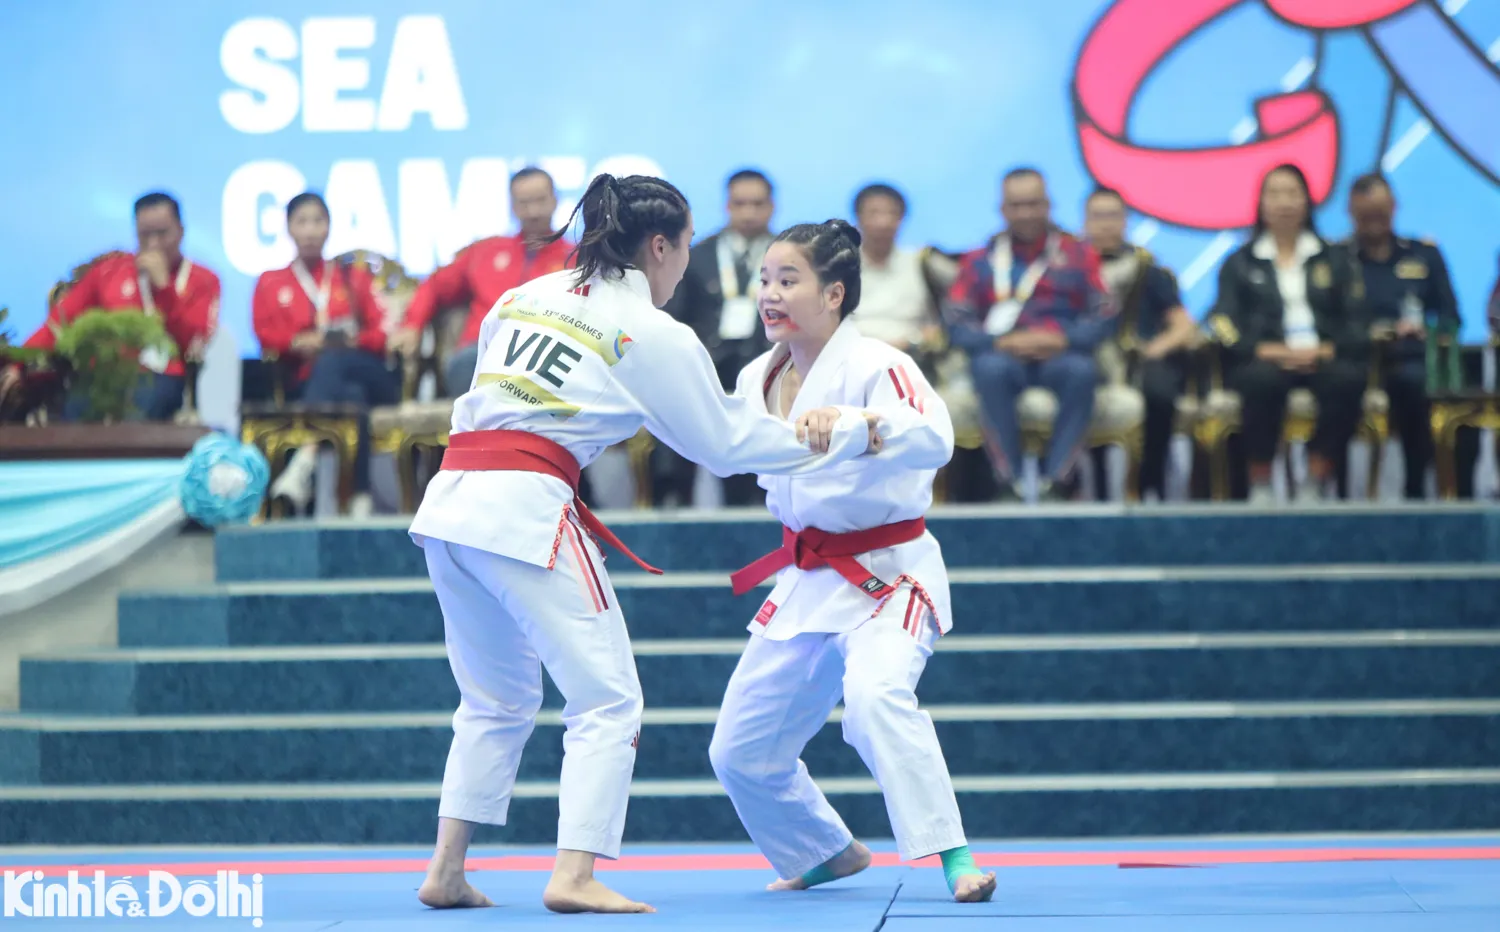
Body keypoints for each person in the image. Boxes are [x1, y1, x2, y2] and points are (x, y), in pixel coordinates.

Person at [405, 174, 881, 915]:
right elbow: (725, 445)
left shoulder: (524, 295)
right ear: (659, 246)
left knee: (495, 698)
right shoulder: (650, 331)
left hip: (450, 504)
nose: (685, 265)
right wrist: (841, 436)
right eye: (685, 247)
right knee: (608, 698)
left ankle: (446, 869)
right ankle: (573, 874)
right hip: (525, 509)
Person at [709, 219, 997, 904]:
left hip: (889, 573)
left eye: (789, 280)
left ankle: (955, 857)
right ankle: (824, 848)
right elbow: (720, 446)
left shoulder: (878, 365)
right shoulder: (756, 376)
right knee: (740, 750)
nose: (770, 294)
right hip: (808, 579)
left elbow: (936, 436)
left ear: (834, 293)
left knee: (874, 699)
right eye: (765, 280)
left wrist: (865, 426)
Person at [945, 168, 1116, 502]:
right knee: (988, 369)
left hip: (1062, 353)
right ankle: (1008, 482)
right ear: (1002, 209)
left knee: (1082, 371)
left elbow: (1106, 315)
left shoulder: (1080, 255)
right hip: (1001, 354)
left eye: (1033, 204)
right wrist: (1000, 342)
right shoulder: (979, 260)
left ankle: (1057, 482)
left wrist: (1063, 338)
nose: (1025, 213)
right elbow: (956, 322)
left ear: (1048, 205)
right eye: (1016, 205)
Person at [1209, 163, 1367, 505]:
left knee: (1348, 380)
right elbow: (1222, 321)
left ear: (1307, 202)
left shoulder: (1335, 259)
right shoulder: (1240, 262)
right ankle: (1261, 482)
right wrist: (1266, 350)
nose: (1284, 203)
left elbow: (1356, 320)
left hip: (1322, 355)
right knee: (1260, 382)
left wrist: (1325, 350)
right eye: (1275, 194)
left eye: (1293, 193)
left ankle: (1316, 479)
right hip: (1266, 358)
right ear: (1261, 204)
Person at [253, 192, 398, 516]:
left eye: (317, 221)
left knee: (335, 360)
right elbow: (264, 335)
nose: (310, 230)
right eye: (301, 222)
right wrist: (297, 342)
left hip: (369, 372)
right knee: (352, 398)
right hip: (306, 381)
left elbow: (381, 335)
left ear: (329, 227)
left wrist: (350, 340)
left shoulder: (352, 278)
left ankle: (306, 457)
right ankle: (359, 497)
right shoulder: (271, 282)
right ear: (288, 228)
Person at [14, 192, 219, 420]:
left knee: (140, 408)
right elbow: (57, 324)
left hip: (161, 377)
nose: (153, 243)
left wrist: (164, 288)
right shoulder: (108, 273)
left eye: (162, 233)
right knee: (73, 413)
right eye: (145, 235)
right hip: (102, 376)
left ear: (181, 231)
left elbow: (191, 342)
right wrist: (15, 364)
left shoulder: (203, 280)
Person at [391, 167, 573, 395]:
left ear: (555, 201)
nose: (533, 211)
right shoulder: (485, 252)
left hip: (545, 355)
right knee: (468, 367)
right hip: (482, 353)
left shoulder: (577, 259)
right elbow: (434, 286)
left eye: (540, 200)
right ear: (512, 206)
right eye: (524, 203)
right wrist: (412, 324)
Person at [656, 168, 778, 507]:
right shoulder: (697, 255)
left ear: (772, 207)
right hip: (703, 365)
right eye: (740, 204)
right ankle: (672, 507)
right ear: (727, 206)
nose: (749, 212)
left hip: (767, 364)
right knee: (672, 421)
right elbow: (673, 315)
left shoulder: (790, 256)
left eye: (758, 204)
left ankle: (756, 512)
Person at [1345, 173, 1458, 500]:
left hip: (1414, 359)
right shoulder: (1338, 260)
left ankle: (1422, 492)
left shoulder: (1424, 254)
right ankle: (1338, 497)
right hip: (1359, 362)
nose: (1374, 222)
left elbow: (1451, 316)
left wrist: (1427, 330)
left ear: (1394, 207)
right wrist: (1375, 331)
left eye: (1381, 213)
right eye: (1366, 215)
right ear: (1351, 212)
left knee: (1428, 387)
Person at [1082, 186, 1198, 501]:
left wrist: (1156, 348)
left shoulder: (1148, 269)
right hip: (1087, 358)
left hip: (1141, 357)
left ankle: (1150, 483)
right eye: (1097, 217)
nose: (1105, 224)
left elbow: (1183, 325)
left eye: (1113, 216)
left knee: (1160, 392)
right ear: (1085, 222)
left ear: (1126, 221)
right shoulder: (1068, 269)